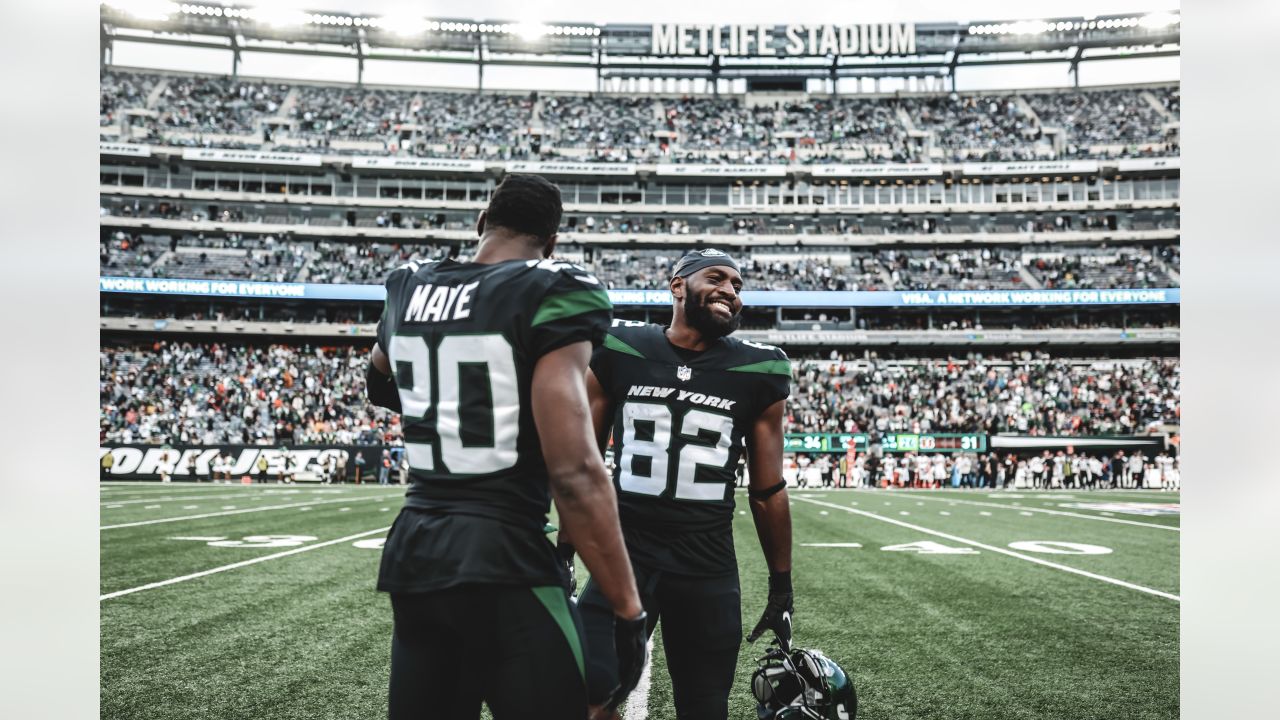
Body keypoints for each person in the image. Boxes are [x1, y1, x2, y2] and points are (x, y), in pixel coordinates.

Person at [366, 174, 646, 720]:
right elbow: (575, 472)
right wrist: (629, 609)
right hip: (504, 555)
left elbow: (380, 382)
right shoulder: (554, 287)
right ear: (552, 242)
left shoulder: (408, 284)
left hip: (416, 555)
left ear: (481, 224)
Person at [565, 248, 794, 720]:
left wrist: (781, 585)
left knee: (704, 707)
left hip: (706, 565)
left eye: (738, 285)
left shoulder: (761, 368)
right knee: (589, 697)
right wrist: (564, 550)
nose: (731, 291)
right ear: (677, 286)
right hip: (625, 554)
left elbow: (768, 490)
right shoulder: (620, 348)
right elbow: (584, 459)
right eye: (717, 278)